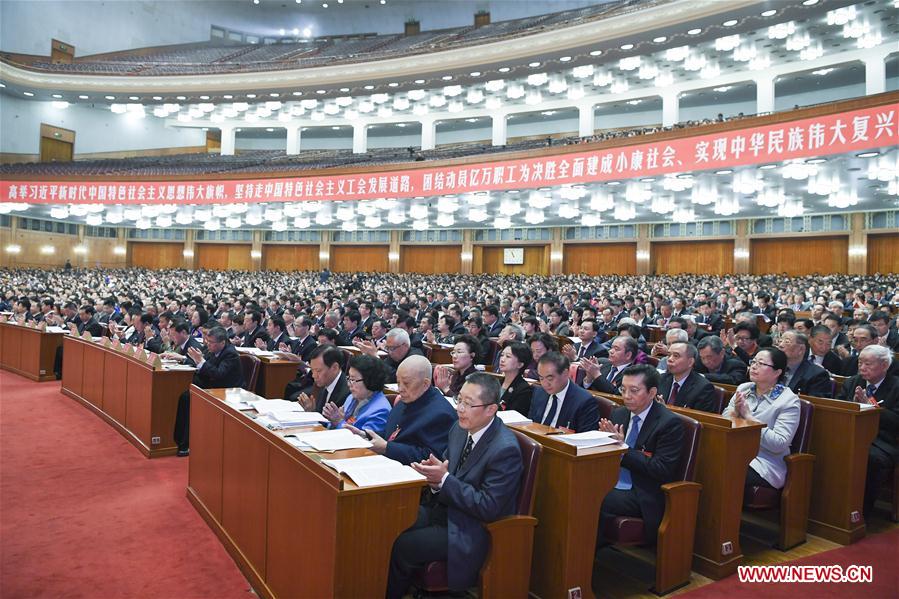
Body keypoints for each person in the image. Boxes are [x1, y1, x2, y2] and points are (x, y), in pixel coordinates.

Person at [386, 373, 522, 599]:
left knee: (403, 545)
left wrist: (444, 480)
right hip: (444, 509)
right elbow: (447, 472)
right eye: (459, 400)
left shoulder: (505, 449)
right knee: (391, 520)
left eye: (468, 404)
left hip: (471, 527)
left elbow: (488, 506)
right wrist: (434, 478)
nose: (459, 408)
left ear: (491, 409)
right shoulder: (459, 429)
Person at [598, 364, 685, 546]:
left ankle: (582, 561)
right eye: (623, 389)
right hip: (611, 480)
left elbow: (662, 470)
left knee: (591, 498)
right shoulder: (619, 413)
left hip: (642, 491)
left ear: (652, 393)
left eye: (634, 390)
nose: (626, 396)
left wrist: (623, 449)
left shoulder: (669, 423)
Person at [347, 355, 457, 465]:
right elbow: (391, 433)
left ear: (425, 384)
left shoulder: (441, 414)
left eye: (406, 383)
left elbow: (431, 457)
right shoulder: (406, 400)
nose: (400, 389)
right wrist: (367, 436)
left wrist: (387, 448)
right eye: (398, 382)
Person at [723, 348, 800, 491]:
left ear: (777, 372)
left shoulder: (788, 401)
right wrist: (735, 412)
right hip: (736, 451)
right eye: (753, 362)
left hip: (765, 463)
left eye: (761, 363)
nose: (754, 366)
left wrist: (749, 418)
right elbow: (725, 420)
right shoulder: (744, 388)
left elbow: (778, 443)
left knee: (725, 469)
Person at [837, 345, 899, 516]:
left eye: (868, 364)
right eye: (860, 363)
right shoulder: (852, 382)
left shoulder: (896, 386)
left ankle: (860, 511)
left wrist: (870, 405)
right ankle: (833, 505)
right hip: (850, 434)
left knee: (868, 458)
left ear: (884, 365)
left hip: (882, 441)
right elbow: (837, 408)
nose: (862, 368)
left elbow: (895, 421)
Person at [173, 327, 245, 456]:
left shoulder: (230, 354)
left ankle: (186, 444)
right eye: (207, 341)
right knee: (184, 397)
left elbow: (219, 374)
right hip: (212, 386)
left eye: (211, 342)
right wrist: (197, 360)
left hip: (227, 391)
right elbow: (205, 367)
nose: (208, 344)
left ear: (222, 343)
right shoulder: (213, 349)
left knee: (190, 398)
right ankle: (180, 441)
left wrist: (201, 361)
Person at [528, 351, 598, 432]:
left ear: (565, 373)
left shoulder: (584, 401)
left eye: (550, 378)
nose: (545, 384)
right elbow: (531, 425)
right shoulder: (539, 392)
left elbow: (585, 439)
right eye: (541, 378)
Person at [322, 354, 391, 436]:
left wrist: (338, 422)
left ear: (370, 380)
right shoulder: (351, 397)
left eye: (353, 379)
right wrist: (331, 420)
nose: (349, 384)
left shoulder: (380, 411)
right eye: (349, 379)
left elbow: (364, 442)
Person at [658, 342, 719, 413]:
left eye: (676, 356)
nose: (670, 359)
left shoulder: (703, 388)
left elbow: (700, 421)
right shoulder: (660, 379)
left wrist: (665, 411)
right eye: (669, 355)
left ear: (690, 362)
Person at [291, 345, 349, 412]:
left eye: (318, 371)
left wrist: (311, 413)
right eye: (312, 370)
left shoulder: (346, 394)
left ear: (335, 368)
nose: (314, 375)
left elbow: (329, 421)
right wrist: (311, 411)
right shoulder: (322, 383)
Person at [777, 330, 833, 398]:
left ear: (801, 349)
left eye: (787, 342)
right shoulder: (772, 365)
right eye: (780, 341)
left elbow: (814, 404)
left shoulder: (818, 375)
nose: (780, 345)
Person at [358, 328, 423, 383]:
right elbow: (383, 371)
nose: (389, 351)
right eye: (387, 348)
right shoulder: (393, 353)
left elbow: (397, 378)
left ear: (405, 345)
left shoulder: (415, 358)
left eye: (392, 348)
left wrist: (376, 357)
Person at [496, 341, 534, 415]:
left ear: (520, 364)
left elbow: (513, 416)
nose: (502, 359)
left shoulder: (524, 389)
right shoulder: (496, 383)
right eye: (502, 355)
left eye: (508, 356)